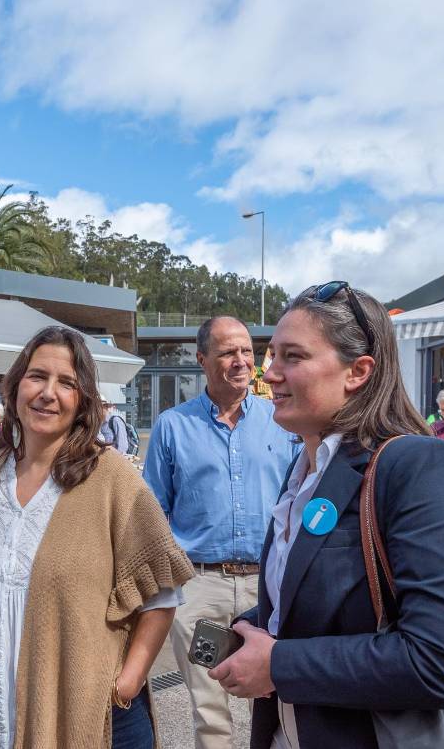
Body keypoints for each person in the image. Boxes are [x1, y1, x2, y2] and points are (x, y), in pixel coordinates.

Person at [210, 281, 444, 748]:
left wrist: (278, 664)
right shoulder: (305, 470)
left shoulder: (420, 465)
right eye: (272, 355)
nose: (269, 373)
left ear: (358, 372)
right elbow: (334, 595)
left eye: (292, 357)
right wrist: (256, 625)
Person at [0, 326, 193, 748]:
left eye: (66, 383)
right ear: (15, 387)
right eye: (37, 376)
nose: (48, 393)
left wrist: (127, 683)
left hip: (75, 709)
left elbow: (160, 595)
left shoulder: (111, 477)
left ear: (82, 401)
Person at [142, 316, 295, 749]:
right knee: (208, 706)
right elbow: (154, 511)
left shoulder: (281, 420)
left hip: (270, 587)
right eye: (229, 352)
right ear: (203, 359)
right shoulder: (172, 426)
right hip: (199, 586)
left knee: (274, 701)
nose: (241, 361)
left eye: (247, 351)